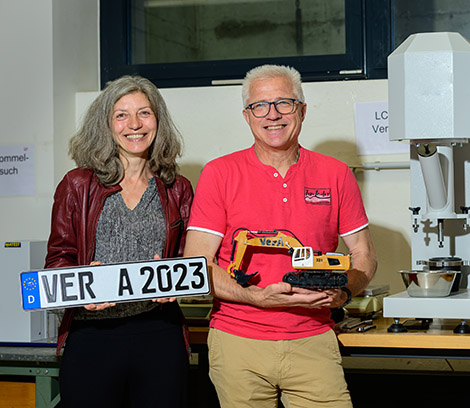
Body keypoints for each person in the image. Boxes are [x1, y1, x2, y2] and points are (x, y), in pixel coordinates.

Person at [184, 64, 377, 407]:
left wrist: (345, 291)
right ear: (247, 115)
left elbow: (364, 254)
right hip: (237, 342)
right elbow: (196, 264)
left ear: (302, 110)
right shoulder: (219, 173)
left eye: (284, 103)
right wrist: (256, 297)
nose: (272, 115)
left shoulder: (336, 174)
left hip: (313, 340)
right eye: (260, 105)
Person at [45, 75, 193, 408]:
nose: (135, 125)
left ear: (158, 121)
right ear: (106, 125)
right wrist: (82, 287)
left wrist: (176, 278)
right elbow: (57, 259)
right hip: (92, 336)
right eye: (121, 115)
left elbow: (190, 259)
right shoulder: (77, 185)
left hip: (160, 333)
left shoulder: (177, 187)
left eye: (144, 113)